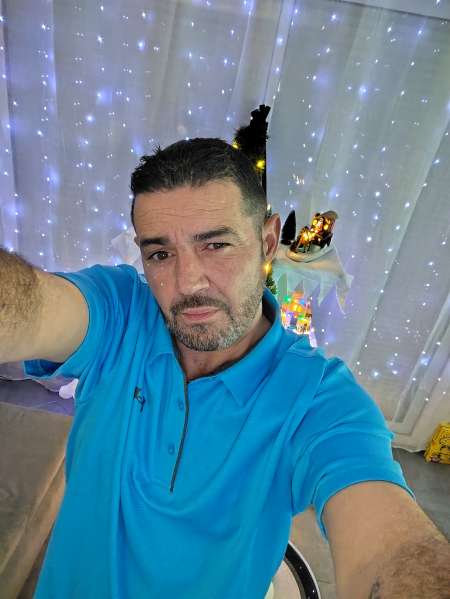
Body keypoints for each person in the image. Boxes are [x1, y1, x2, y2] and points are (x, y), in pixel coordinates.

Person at [2, 138, 449, 598]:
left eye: (215, 245)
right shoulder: (120, 312)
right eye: (160, 254)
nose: (187, 282)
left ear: (267, 241)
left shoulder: (318, 400)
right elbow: (29, 304)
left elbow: (391, 552)